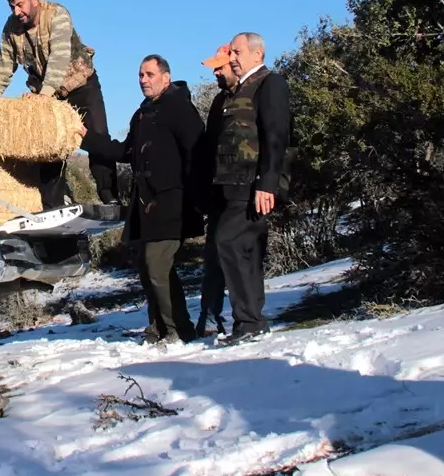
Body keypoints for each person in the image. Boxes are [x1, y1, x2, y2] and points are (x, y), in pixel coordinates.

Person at [81, 55, 205, 345]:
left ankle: (177, 330)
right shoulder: (142, 113)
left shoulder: (180, 108)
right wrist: (88, 139)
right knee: (149, 269)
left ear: (166, 76)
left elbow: (197, 155)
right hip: (145, 204)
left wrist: (198, 199)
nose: (143, 80)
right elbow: (126, 152)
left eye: (149, 74)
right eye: (140, 75)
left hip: (172, 201)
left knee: (157, 266)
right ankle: (158, 328)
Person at [0, 0, 118, 206]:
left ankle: (110, 198)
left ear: (34, 0)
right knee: (47, 148)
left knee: (97, 139)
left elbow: (59, 56)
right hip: (46, 93)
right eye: (12, 7)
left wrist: (44, 95)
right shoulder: (11, 27)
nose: (17, 12)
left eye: (20, 5)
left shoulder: (57, 14)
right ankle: (53, 205)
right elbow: (4, 62)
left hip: (80, 85)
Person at [210, 32, 293, 344]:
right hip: (232, 184)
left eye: (237, 51)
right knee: (244, 249)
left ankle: (248, 322)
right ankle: (251, 321)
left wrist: (267, 183)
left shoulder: (270, 84)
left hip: (253, 184)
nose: (232, 57)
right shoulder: (237, 89)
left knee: (228, 242)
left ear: (257, 54)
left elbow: (276, 135)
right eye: (231, 52)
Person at [194, 44, 239, 337]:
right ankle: (210, 317)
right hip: (218, 193)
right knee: (214, 257)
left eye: (220, 66)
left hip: (242, 191)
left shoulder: (253, 95)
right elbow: (208, 147)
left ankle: (246, 317)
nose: (216, 72)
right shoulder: (219, 101)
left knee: (239, 256)